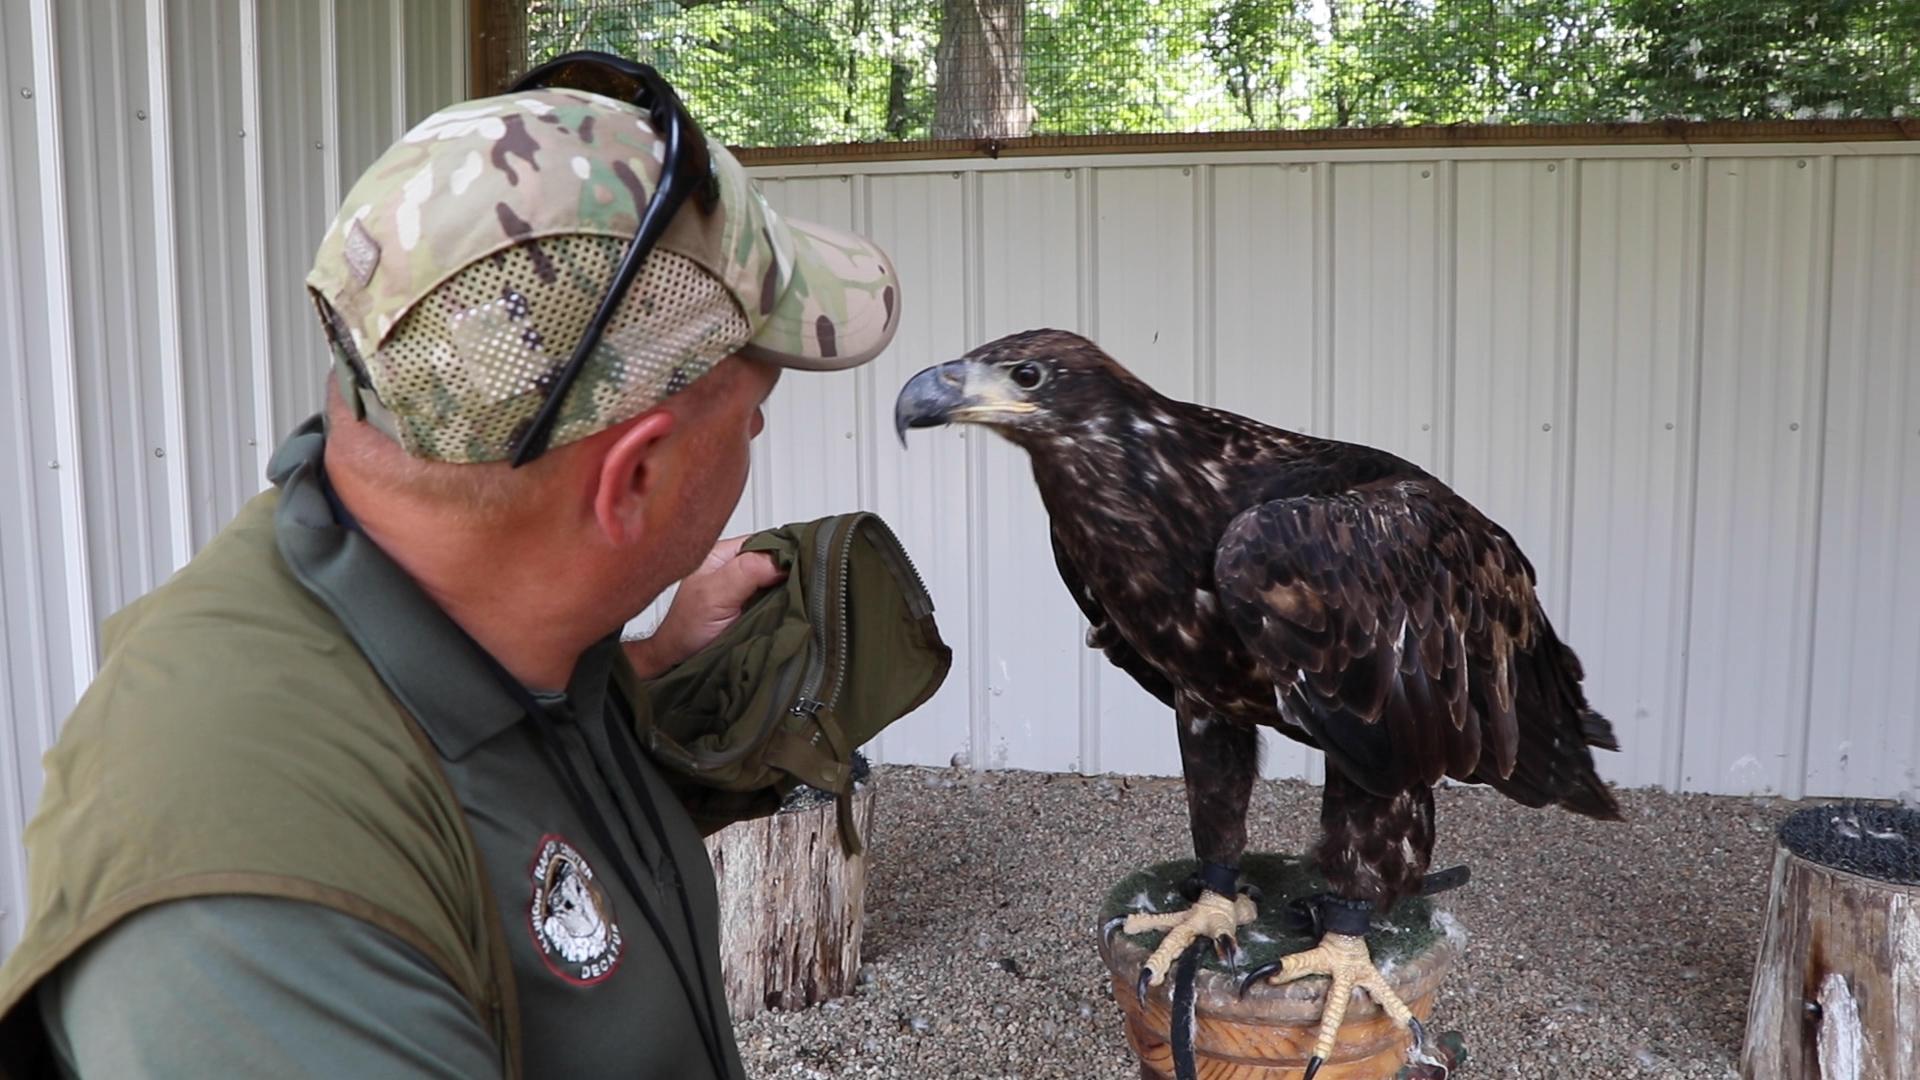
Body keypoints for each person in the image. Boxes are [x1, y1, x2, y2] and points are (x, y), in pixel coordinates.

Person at [0, 53, 901, 1080]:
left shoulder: (481, 608)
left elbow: (497, 791)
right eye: (754, 418)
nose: (755, 444)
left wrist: (652, 665)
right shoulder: (261, 892)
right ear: (633, 478)